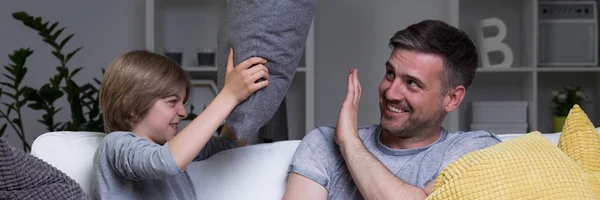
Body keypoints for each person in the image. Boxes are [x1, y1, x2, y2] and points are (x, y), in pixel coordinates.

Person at [283, 19, 502, 200]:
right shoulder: (323, 143)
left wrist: (350, 143)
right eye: (390, 74)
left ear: (452, 99)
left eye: (412, 83)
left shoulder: (476, 152)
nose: (391, 93)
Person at [93, 48, 269, 199]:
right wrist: (228, 95)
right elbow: (165, 162)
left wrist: (243, 99)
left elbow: (229, 145)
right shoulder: (116, 144)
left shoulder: (171, 147)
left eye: (182, 102)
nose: (183, 112)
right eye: (172, 102)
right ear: (133, 106)